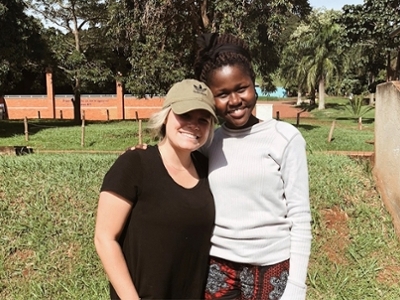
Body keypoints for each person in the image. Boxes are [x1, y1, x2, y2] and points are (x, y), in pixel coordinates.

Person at [193, 33, 312, 300]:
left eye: (241, 88)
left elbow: (300, 215)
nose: (234, 101)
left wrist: (296, 286)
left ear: (254, 83)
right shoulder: (208, 142)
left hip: (271, 266)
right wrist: (144, 154)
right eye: (222, 94)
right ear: (211, 99)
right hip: (218, 267)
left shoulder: (284, 138)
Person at [94, 79, 218, 300]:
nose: (194, 124)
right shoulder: (135, 164)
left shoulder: (207, 168)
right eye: (185, 115)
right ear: (166, 115)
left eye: (203, 119)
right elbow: (104, 238)